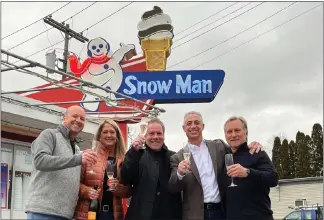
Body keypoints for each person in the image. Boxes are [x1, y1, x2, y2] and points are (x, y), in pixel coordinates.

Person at [168, 111, 262, 220]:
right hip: (194, 215)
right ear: (184, 128)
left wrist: (251, 144)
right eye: (189, 123)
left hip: (221, 212)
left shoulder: (219, 146)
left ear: (202, 126)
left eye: (197, 122)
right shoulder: (177, 157)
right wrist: (179, 173)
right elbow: (173, 187)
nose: (193, 126)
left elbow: (237, 149)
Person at [25, 105, 98, 220]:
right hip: (43, 212)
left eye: (82, 119)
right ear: (64, 118)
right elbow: (40, 161)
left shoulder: (77, 149)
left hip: (66, 214)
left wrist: (88, 190)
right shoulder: (49, 134)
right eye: (74, 116)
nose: (78, 120)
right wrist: (78, 159)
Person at [120, 118, 182, 220]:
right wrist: (133, 151)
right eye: (151, 133)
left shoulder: (174, 157)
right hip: (140, 215)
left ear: (164, 136)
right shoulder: (136, 155)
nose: (155, 137)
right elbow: (125, 177)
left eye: (159, 133)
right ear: (145, 135)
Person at [74, 118, 131, 220]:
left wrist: (117, 188)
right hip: (88, 213)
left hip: (112, 215)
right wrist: (88, 191)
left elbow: (128, 191)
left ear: (117, 136)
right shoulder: (89, 155)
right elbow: (74, 184)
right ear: (99, 136)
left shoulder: (123, 160)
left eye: (112, 132)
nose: (109, 135)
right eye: (105, 132)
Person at [224, 116, 278, 220]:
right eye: (229, 131)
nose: (233, 134)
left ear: (246, 133)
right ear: (225, 135)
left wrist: (248, 172)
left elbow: (273, 178)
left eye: (237, 130)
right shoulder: (225, 157)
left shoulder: (256, 152)